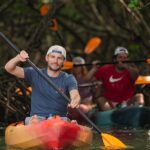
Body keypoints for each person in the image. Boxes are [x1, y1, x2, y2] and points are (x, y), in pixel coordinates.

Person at [5, 45, 81, 124]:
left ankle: (68, 126)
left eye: (59, 58)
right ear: (47, 58)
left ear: (64, 61)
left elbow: (74, 94)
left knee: (60, 123)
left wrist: (75, 100)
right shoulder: (34, 73)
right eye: (53, 57)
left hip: (59, 120)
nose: (55, 61)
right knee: (35, 121)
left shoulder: (68, 78)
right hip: (37, 118)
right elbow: (9, 68)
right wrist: (17, 58)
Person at [93, 46, 144, 111]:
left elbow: (135, 76)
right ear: (114, 59)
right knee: (100, 99)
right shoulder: (105, 69)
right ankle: (110, 115)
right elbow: (92, 80)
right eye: (120, 57)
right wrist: (94, 68)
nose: (123, 60)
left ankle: (136, 115)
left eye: (125, 58)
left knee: (139, 96)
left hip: (126, 103)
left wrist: (127, 67)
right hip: (109, 103)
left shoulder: (132, 70)